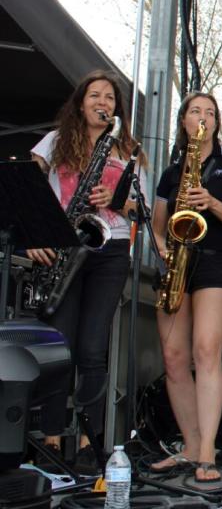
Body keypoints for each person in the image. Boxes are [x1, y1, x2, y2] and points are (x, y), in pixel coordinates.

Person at [27, 70, 144, 474]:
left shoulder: (126, 147)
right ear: (81, 103)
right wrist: (35, 231)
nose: (103, 102)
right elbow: (27, 182)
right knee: (61, 348)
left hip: (109, 249)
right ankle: (53, 439)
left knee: (94, 351)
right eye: (95, 95)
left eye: (110, 98)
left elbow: (136, 209)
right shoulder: (58, 140)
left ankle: (89, 440)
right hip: (65, 245)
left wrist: (116, 198)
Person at [150, 92, 222, 482]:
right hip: (178, 265)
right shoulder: (171, 172)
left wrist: (211, 201)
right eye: (196, 111)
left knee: (206, 350)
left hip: (216, 263)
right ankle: (189, 446)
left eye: (211, 112)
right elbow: (157, 230)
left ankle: (207, 450)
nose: (204, 116)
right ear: (183, 121)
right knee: (174, 359)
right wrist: (164, 251)